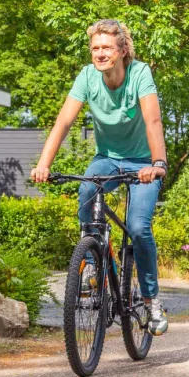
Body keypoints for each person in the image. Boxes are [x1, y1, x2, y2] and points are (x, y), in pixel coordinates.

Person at [29, 20, 170, 334]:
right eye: (95, 48)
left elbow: (153, 121)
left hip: (144, 163)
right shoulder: (87, 77)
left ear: (121, 50)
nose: (100, 53)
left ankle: (151, 301)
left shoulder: (140, 74)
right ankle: (95, 263)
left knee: (137, 227)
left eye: (106, 47)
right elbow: (64, 121)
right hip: (107, 160)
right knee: (86, 191)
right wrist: (44, 163)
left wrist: (158, 162)